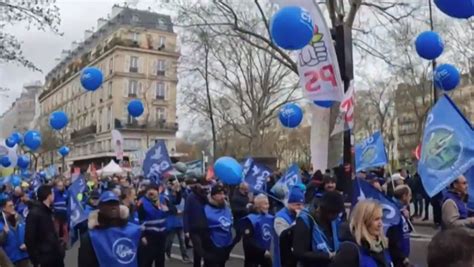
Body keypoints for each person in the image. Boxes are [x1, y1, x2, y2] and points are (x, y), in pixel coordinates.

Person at [78, 191, 141, 267]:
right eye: (109, 204)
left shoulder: (133, 231)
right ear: (100, 207)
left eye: (115, 203)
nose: (113, 207)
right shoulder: (90, 237)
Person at [331, 200, 392, 267]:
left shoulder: (382, 246)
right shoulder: (350, 250)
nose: (380, 223)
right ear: (364, 221)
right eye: (376, 219)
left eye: (381, 218)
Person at [292, 191, 344, 267]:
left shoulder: (334, 219)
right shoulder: (305, 220)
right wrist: (327, 256)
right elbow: (299, 252)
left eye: (337, 214)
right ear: (323, 210)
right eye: (333, 214)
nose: (335, 217)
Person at [25, 184, 65, 267]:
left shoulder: (48, 211)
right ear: (49, 195)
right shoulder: (34, 214)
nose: (54, 195)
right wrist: (36, 261)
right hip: (45, 259)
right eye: (53, 193)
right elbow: (29, 239)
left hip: (55, 256)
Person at [137, 183, 170, 267]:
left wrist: (158, 204)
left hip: (161, 236)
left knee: (160, 261)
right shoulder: (142, 202)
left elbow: (171, 210)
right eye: (150, 191)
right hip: (149, 237)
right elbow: (139, 220)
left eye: (155, 190)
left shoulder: (163, 199)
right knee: (147, 261)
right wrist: (142, 236)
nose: (152, 193)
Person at [273, 186, 305, 267]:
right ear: (290, 203)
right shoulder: (280, 217)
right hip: (283, 258)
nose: (301, 208)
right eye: (297, 204)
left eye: (302, 205)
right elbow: (284, 236)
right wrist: (298, 220)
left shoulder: (300, 214)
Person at [241, 194, 274, 267]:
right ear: (258, 205)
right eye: (265, 204)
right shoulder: (250, 219)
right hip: (254, 257)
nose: (267, 206)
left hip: (265, 254)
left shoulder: (269, 217)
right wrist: (262, 251)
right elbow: (247, 241)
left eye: (268, 203)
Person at [184, 178, 209, 267]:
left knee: (205, 248)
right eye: (200, 184)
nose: (202, 186)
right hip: (194, 228)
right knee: (198, 249)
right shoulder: (191, 197)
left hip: (206, 227)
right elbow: (186, 213)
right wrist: (186, 230)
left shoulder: (206, 196)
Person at [387, 185, 412, 267]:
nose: (410, 198)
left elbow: (407, 230)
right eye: (409, 195)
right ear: (404, 196)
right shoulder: (393, 212)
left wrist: (407, 219)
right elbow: (392, 239)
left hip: (403, 255)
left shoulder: (402, 210)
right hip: (397, 258)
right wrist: (402, 257)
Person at [0, 199, 29, 267]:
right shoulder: (1, 224)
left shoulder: (20, 218)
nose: (13, 207)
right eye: (10, 206)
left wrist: (27, 244)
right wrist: (4, 233)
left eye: (13, 205)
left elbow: (28, 234)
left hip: (25, 256)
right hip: (12, 259)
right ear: (4, 208)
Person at [52, 180, 69, 244]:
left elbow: (68, 202)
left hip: (64, 213)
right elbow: (52, 200)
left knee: (65, 228)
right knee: (56, 228)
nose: (60, 187)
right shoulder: (54, 192)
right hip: (56, 213)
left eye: (61, 186)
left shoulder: (66, 193)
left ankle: (65, 242)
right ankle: (56, 241)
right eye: (58, 186)